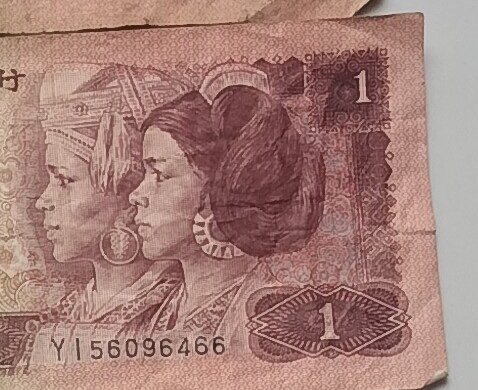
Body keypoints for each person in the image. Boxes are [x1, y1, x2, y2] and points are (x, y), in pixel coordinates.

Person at [132, 68, 325, 342]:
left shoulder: (272, 320)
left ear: (218, 189)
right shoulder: (150, 317)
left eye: (160, 175)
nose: (136, 195)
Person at [32, 64, 181, 330]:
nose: (41, 202)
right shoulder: (66, 312)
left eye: (64, 180)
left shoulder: (176, 312)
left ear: (129, 199)